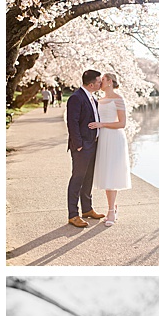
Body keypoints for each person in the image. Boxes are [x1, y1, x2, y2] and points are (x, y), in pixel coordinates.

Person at [64, 69, 106, 228]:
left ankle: (87, 209)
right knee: (77, 179)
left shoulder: (93, 98)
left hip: (93, 143)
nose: (100, 83)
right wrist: (79, 144)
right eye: (98, 81)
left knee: (88, 178)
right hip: (82, 146)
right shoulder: (76, 98)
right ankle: (73, 215)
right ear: (91, 84)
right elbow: (72, 123)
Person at [89, 73, 129, 225]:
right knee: (106, 174)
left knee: (112, 173)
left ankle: (111, 211)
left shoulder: (118, 99)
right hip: (103, 138)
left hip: (114, 138)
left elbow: (122, 123)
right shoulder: (99, 100)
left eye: (103, 80)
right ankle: (113, 207)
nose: (100, 82)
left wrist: (102, 125)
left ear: (110, 82)